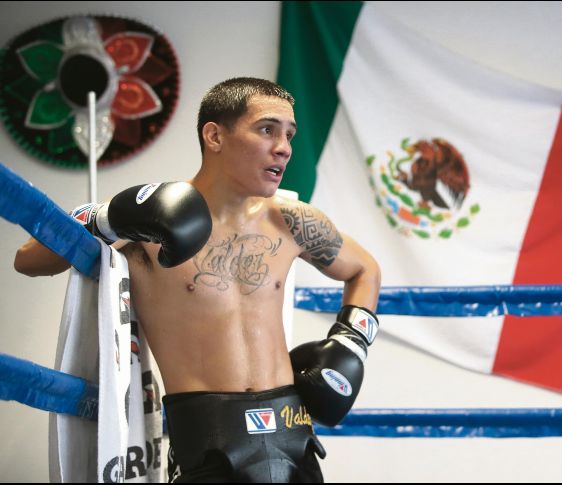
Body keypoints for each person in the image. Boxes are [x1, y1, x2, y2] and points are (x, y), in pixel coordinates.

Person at [14, 77, 382, 483]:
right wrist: (105, 217)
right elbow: (29, 259)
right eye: (267, 129)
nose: (284, 147)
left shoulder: (292, 221)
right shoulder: (150, 227)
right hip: (208, 447)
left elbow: (365, 269)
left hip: (294, 437)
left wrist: (353, 340)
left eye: (289, 135)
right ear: (214, 135)